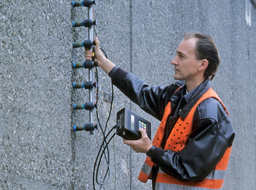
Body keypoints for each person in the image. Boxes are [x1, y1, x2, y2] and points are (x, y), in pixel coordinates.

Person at [85, 32, 235, 190]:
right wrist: (102, 61)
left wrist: (150, 149)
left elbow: (189, 168)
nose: (173, 61)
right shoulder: (178, 95)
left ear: (202, 65)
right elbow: (143, 93)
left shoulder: (210, 113)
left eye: (181, 57)